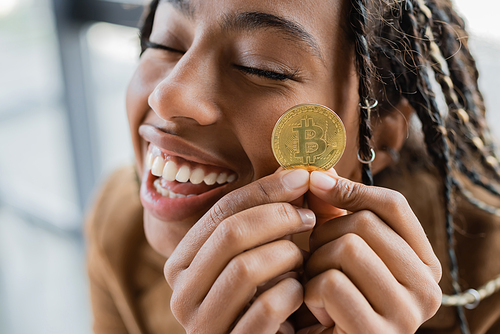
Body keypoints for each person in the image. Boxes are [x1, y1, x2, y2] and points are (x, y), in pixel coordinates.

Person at [85, 0, 500, 333]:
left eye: (259, 66)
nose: (168, 95)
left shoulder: (490, 282)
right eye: (165, 44)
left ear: (379, 133)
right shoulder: (118, 223)